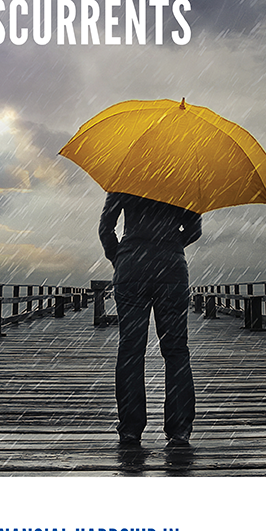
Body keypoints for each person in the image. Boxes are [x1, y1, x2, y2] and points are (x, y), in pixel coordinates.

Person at [98, 191, 202, 446]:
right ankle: (179, 429)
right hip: (172, 269)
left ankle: (131, 428)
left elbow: (105, 229)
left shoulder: (124, 178)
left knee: (131, 349)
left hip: (132, 267)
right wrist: (170, 243)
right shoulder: (183, 182)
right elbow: (195, 229)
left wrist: (121, 255)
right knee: (176, 350)